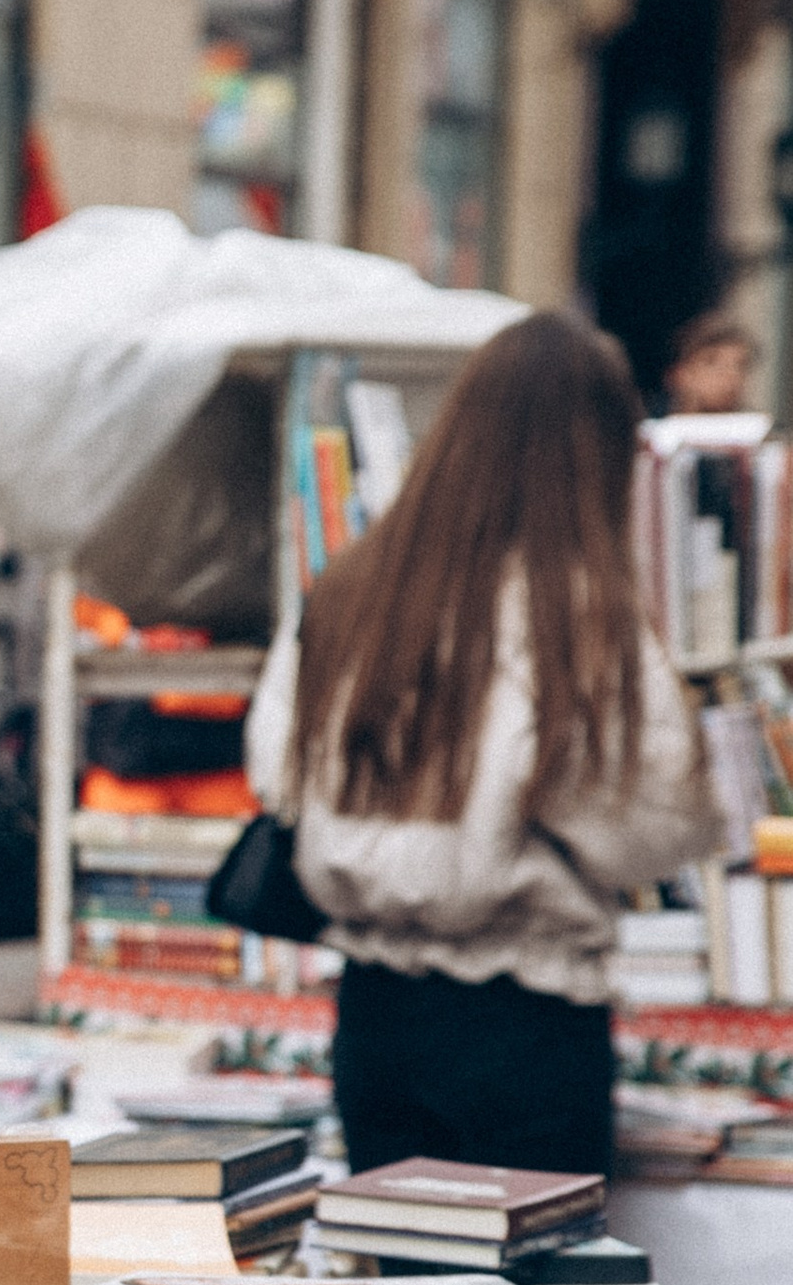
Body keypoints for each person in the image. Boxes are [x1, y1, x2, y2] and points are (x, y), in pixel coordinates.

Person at [245, 313, 718, 1183]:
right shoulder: (577, 619)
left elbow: (278, 770)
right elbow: (657, 826)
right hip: (528, 1021)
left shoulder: (348, 592)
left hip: (375, 1017)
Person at [661, 309, 760, 420]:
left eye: (740, 365)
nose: (731, 375)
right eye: (712, 362)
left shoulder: (762, 432)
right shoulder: (652, 434)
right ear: (679, 374)